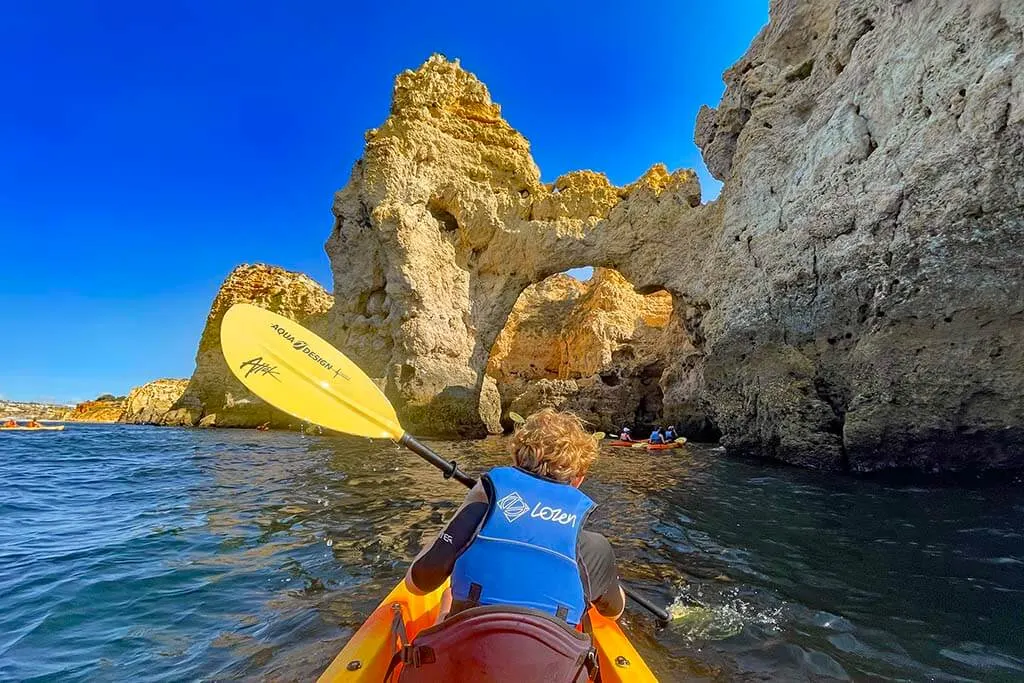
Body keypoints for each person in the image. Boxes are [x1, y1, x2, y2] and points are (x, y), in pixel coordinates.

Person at [398, 408, 625, 682]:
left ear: (516, 459)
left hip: (464, 670)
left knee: (446, 605)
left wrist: (473, 505)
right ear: (578, 479)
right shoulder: (593, 548)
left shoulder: (477, 516)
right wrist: (604, 576)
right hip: (549, 673)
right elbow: (614, 609)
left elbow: (417, 583)